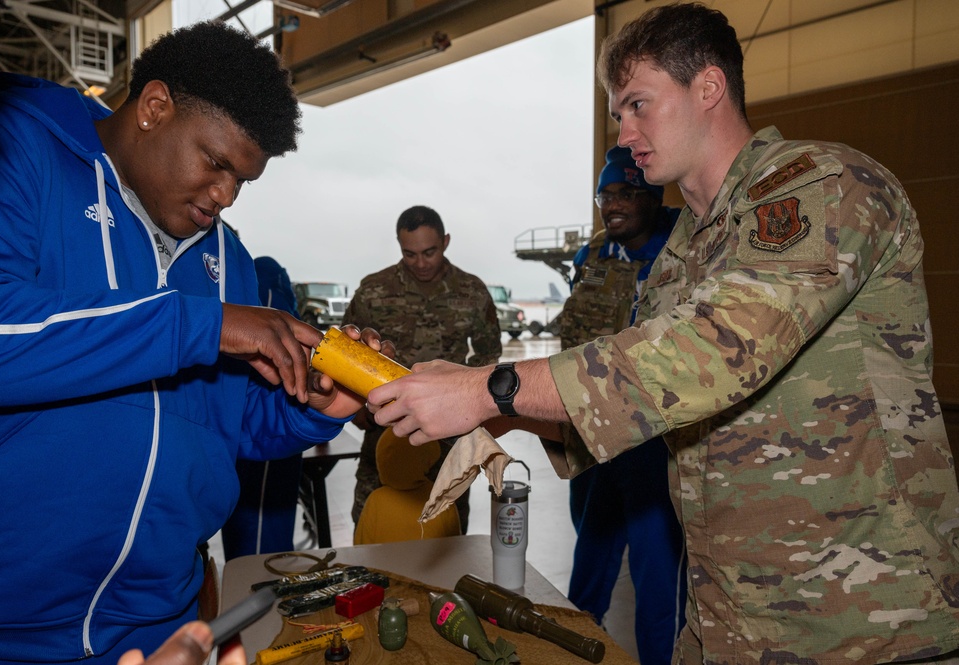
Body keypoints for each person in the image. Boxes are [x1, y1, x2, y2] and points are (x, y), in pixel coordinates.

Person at [368, 3, 959, 663]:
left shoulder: (824, 186)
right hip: (727, 620)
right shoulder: (683, 250)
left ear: (706, 88)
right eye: (617, 113)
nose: (623, 133)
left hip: (863, 621)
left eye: (637, 105)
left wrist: (493, 386)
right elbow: (642, 403)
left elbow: (715, 352)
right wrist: (506, 412)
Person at [0, 21, 390, 665]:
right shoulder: (9, 152)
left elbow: (228, 421)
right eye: (216, 163)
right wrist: (202, 324)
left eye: (242, 181)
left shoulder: (230, 260)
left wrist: (311, 409)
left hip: (163, 627)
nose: (224, 195)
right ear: (154, 108)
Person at [561, 146, 684, 665]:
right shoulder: (592, 257)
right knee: (588, 561)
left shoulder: (686, 244)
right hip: (595, 436)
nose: (612, 205)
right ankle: (570, 653)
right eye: (605, 194)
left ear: (652, 196)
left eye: (626, 193)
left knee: (658, 577)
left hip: (655, 442)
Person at [342, 204, 501, 534]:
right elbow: (347, 353)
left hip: (448, 437)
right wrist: (356, 407)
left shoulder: (472, 291)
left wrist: (469, 401)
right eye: (409, 254)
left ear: (445, 241)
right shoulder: (374, 290)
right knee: (375, 528)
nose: (421, 263)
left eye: (429, 252)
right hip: (385, 432)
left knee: (446, 534)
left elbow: (489, 355)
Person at [221, 256, 306, 559]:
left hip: (265, 418)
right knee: (259, 548)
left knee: (257, 553)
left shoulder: (263, 276)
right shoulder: (265, 275)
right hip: (262, 419)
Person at [353, 429, 461, 545]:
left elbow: (362, 546)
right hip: (433, 563)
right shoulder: (440, 497)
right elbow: (454, 546)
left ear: (380, 458)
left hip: (382, 563)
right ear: (430, 457)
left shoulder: (375, 499)